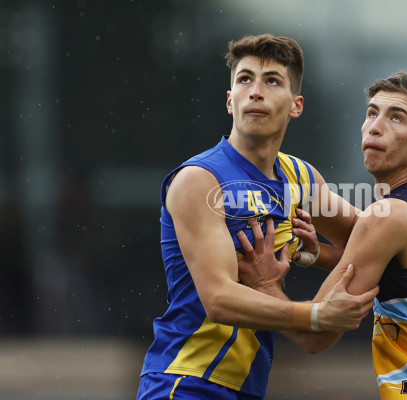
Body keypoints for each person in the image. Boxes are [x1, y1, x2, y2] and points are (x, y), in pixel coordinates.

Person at [241, 71, 407, 399]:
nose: (375, 125)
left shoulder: (389, 217)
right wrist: (319, 256)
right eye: (372, 113)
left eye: (396, 117)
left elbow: (315, 337)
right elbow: (399, 275)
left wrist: (265, 285)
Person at [136, 34, 378, 400]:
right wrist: (315, 316)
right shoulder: (198, 180)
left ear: (296, 106)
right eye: (244, 79)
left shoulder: (301, 178)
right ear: (230, 101)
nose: (255, 91)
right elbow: (218, 298)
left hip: (248, 386)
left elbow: (373, 240)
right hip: (185, 383)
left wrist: (317, 257)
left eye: (272, 81)